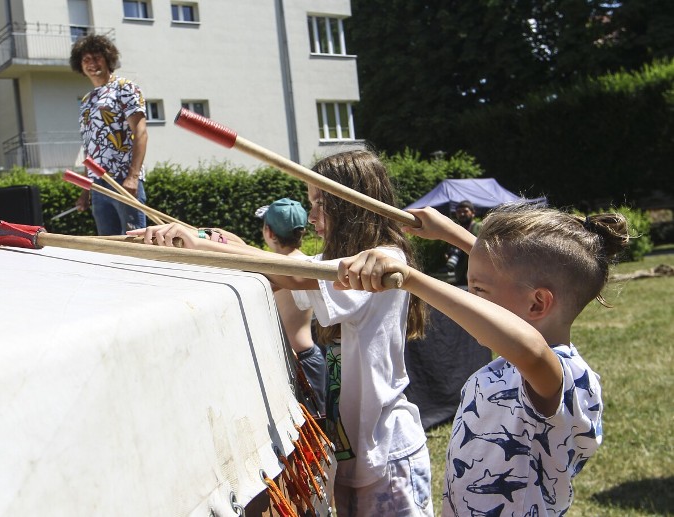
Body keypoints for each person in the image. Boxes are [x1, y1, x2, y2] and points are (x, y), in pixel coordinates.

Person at [129, 149, 434, 517]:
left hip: (387, 453)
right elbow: (283, 272)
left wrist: (198, 244)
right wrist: (227, 246)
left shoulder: (382, 259)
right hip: (357, 454)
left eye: (321, 203)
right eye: (311, 203)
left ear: (352, 205)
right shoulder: (344, 261)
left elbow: (293, 274)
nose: (312, 216)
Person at [337, 202, 630, 516]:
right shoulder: (516, 361)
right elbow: (509, 274)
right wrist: (452, 234)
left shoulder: (561, 376)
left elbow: (529, 347)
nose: (469, 296)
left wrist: (410, 279)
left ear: (537, 305)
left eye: (477, 289)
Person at [70, 34, 149, 235]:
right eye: (86, 60)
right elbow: (90, 150)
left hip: (123, 180)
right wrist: (85, 191)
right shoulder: (86, 101)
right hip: (98, 187)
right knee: (108, 248)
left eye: (96, 58)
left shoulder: (126, 88)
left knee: (134, 243)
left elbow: (140, 133)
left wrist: (133, 177)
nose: (91, 64)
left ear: (108, 59)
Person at [256, 198, 326, 416]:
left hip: (298, 364)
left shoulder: (277, 271)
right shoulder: (308, 263)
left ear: (268, 231)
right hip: (309, 358)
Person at [445, 200, 481, 286]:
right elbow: (449, 248)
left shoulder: (480, 227)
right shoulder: (455, 230)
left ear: (473, 213)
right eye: (459, 212)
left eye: (465, 211)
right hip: (460, 274)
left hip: (478, 274)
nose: (462, 214)